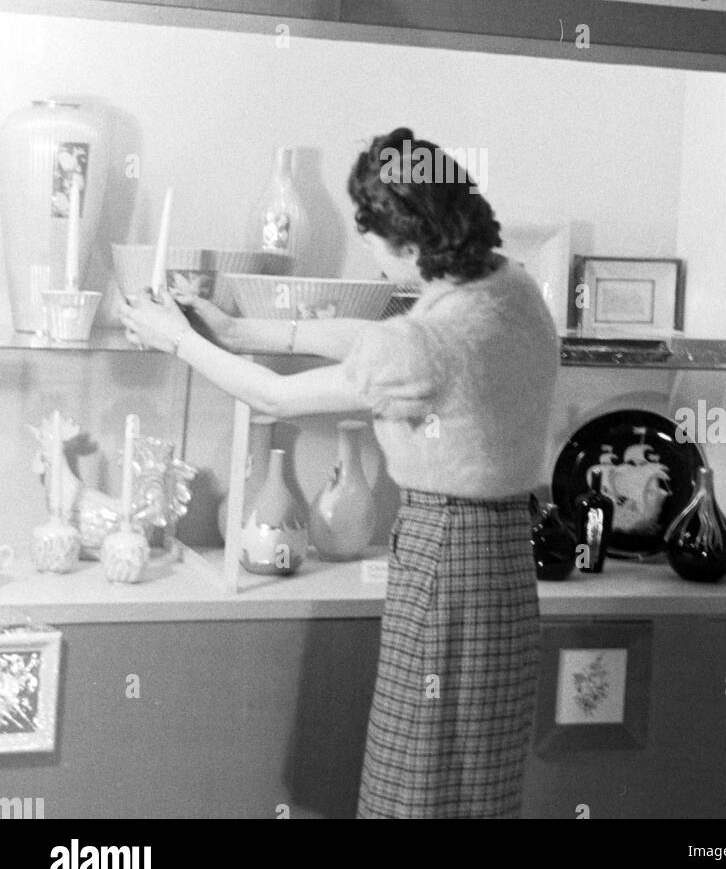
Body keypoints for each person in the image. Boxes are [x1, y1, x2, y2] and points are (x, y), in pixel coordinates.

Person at [122, 127, 560, 819]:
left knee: (420, 772)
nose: (378, 267)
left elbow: (275, 397)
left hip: (445, 555)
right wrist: (243, 333)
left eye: (378, 251)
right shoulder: (507, 288)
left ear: (412, 247)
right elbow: (380, 339)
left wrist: (177, 339)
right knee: (477, 773)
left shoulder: (427, 344)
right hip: (504, 560)